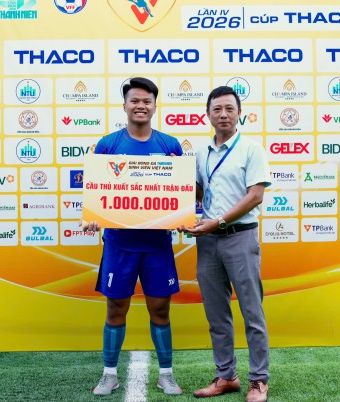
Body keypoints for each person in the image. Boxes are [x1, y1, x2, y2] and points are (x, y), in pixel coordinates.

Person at [81, 77, 183, 396]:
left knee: (160, 309)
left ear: (155, 105)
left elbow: (182, 193)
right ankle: (109, 374)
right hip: (119, 245)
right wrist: (92, 217)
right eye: (135, 101)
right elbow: (96, 192)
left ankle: (166, 374)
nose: (141, 106)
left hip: (157, 246)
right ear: (124, 105)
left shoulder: (170, 146)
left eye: (146, 101)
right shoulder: (108, 145)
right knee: (115, 309)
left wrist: (182, 214)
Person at [179, 86, 271, 402]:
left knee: (252, 313)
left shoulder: (251, 150)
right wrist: (169, 190)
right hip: (208, 242)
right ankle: (226, 376)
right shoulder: (201, 153)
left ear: (239, 113)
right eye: (217, 109)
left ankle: (258, 381)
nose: (223, 114)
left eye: (229, 108)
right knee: (217, 315)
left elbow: (255, 196)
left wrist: (217, 221)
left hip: (240, 238)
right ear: (207, 114)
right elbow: (197, 192)